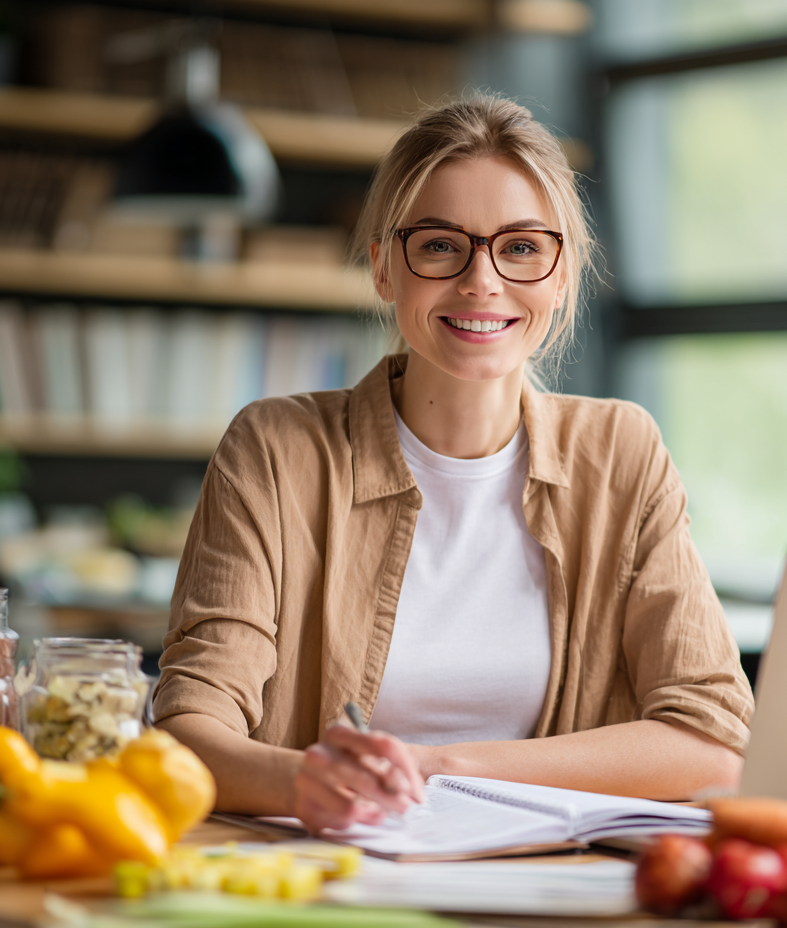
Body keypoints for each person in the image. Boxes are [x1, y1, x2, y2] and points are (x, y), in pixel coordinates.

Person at [154, 95, 754, 834]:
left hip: (550, 887)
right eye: (440, 245)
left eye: (523, 247)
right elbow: (187, 729)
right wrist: (303, 781)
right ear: (383, 268)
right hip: (328, 879)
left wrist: (442, 768)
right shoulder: (276, 449)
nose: (482, 281)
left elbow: (714, 738)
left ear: (564, 274)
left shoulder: (621, 452)